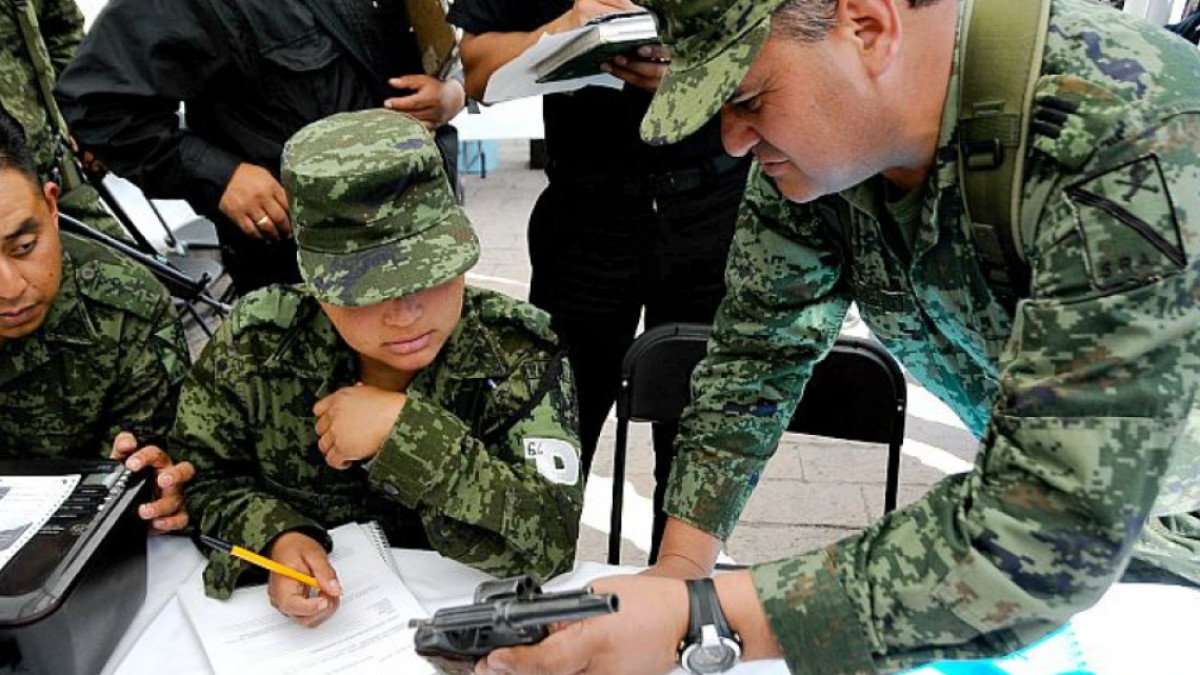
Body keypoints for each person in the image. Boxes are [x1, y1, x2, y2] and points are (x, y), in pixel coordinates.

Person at [474, 0, 1200, 673]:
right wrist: (676, 575)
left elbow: (1043, 527)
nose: (731, 140)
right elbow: (755, 361)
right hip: (1093, 557)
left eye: (751, 99)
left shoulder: (1130, 136)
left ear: (869, 28)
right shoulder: (827, 151)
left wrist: (698, 617)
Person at [175, 109, 583, 626]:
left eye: (429, 273)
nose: (406, 311)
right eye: (368, 289)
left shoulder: (515, 351)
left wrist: (408, 435)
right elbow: (201, 479)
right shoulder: (259, 344)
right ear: (317, 283)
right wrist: (278, 535)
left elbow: (550, 540)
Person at [449, 0, 750, 559]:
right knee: (554, 430)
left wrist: (707, 67)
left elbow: (816, 41)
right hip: (586, 216)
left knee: (697, 440)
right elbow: (475, 71)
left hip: (713, 211)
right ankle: (535, 594)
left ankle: (679, 599)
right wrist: (561, 31)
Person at [54, 0, 466, 296]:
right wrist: (220, 176)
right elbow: (98, 105)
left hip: (425, 235)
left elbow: (438, 42)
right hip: (313, 267)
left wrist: (452, 93)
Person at [0, 115, 194, 533]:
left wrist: (158, 487)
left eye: (23, 247)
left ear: (52, 206)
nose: (11, 287)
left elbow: (158, 467)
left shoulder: (126, 306)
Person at [1, 0, 126, 241]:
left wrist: (85, 119)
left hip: (59, 178)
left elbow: (62, 29)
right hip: (8, 213)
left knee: (134, 274)